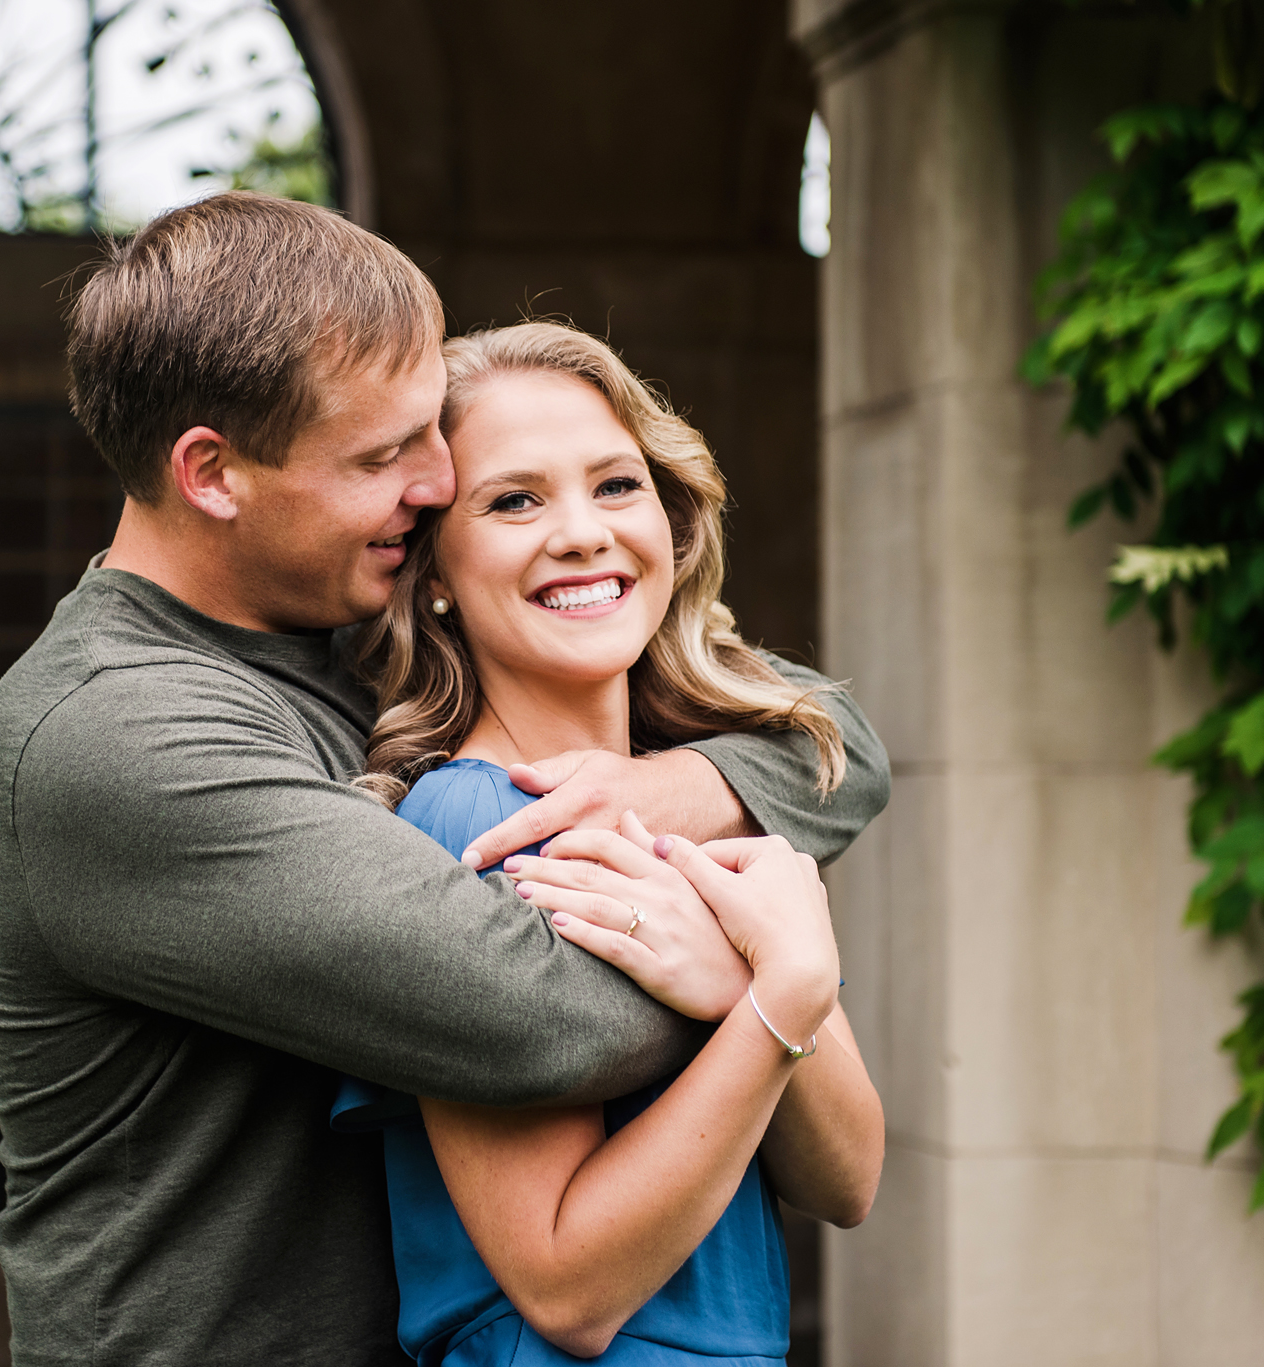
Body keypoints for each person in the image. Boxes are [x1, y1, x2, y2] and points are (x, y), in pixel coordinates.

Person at [0, 192, 890, 1367]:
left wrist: (665, 791)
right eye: (384, 453)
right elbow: (531, 1014)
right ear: (211, 471)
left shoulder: (361, 644)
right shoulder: (119, 733)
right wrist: (763, 966)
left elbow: (834, 737)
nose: (430, 480)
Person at [339, 322, 883, 1366]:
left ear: (670, 526)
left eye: (616, 485)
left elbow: (844, 1180)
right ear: (436, 569)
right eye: (514, 499)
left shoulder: (704, 807)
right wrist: (780, 989)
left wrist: (743, 989)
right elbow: (566, 1287)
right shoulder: (470, 823)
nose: (584, 532)